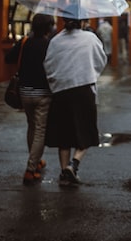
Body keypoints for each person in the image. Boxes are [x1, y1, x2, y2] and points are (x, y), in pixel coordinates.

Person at [44, 10, 107, 186]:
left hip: (61, 91)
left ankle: (64, 171)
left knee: (64, 134)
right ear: (82, 21)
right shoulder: (90, 39)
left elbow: (48, 64)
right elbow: (101, 60)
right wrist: (89, 72)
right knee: (85, 130)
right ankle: (74, 164)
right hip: (83, 88)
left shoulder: (56, 40)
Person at [5, 14, 55, 185]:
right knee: (40, 129)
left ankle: (36, 159)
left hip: (25, 92)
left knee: (31, 126)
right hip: (43, 93)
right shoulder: (50, 45)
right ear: (48, 28)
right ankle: (30, 169)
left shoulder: (25, 42)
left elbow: (8, 58)